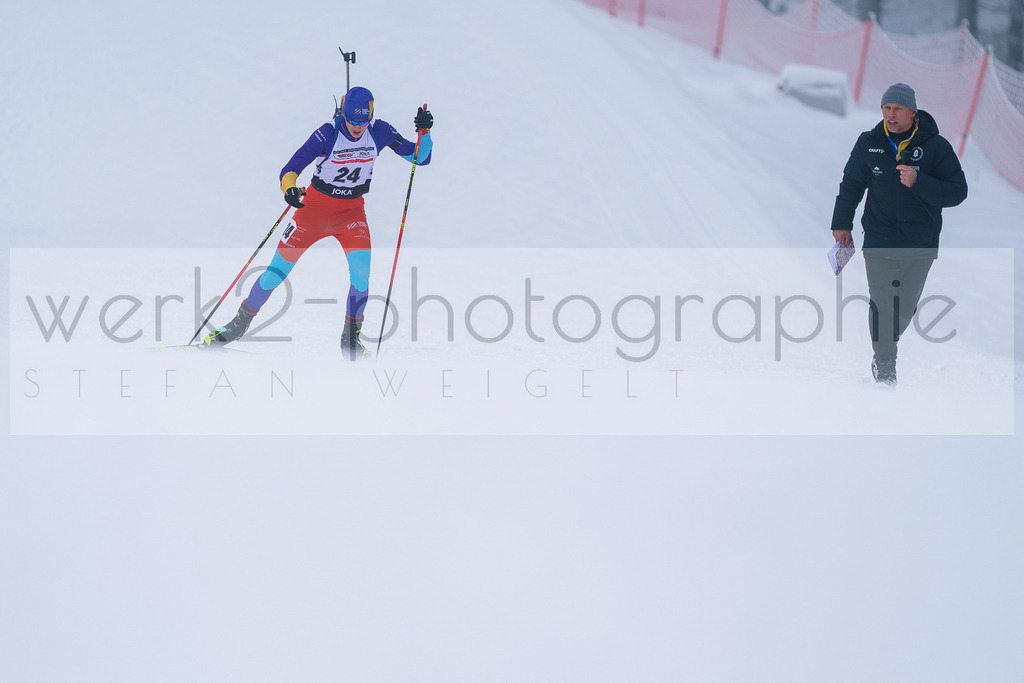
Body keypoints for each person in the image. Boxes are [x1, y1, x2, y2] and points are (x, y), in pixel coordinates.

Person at [204, 86, 434, 359]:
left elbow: (420, 157)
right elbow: (291, 167)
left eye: (363, 121)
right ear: (344, 115)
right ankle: (238, 325)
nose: (358, 127)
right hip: (313, 210)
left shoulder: (380, 131)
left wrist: (425, 133)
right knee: (276, 272)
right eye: (352, 121)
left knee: (361, 276)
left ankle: (350, 340)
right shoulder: (327, 133)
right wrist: (289, 189)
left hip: (351, 214)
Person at [831, 83, 967, 387]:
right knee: (881, 301)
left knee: (903, 308)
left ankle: (885, 344)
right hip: (878, 238)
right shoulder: (869, 143)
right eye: (886, 108)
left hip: (920, 243)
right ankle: (884, 364)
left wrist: (920, 181)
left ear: (912, 113)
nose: (891, 115)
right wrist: (842, 222)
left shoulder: (935, 146)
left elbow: (959, 191)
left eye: (898, 109)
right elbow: (851, 184)